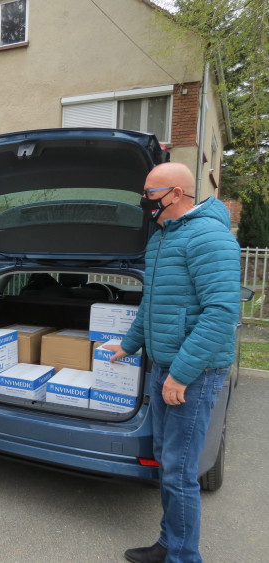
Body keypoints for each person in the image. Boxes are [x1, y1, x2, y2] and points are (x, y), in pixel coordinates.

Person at [107, 162, 240, 563]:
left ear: (177, 194)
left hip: (193, 374)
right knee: (168, 462)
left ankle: (183, 556)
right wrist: (128, 346)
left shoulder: (209, 238)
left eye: (150, 193)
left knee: (180, 473)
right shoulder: (163, 238)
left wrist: (180, 375)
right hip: (165, 367)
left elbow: (220, 313)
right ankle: (170, 544)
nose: (144, 201)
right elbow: (152, 304)